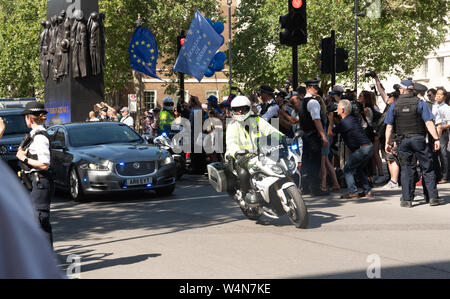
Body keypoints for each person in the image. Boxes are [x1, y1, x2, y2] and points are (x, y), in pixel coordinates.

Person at [384, 79, 441, 208]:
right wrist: (436, 139)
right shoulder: (420, 103)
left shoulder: (395, 104)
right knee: (427, 166)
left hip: (402, 140)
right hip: (419, 139)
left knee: (406, 168)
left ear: (403, 89)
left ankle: (407, 199)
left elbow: (389, 126)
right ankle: (432, 197)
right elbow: (428, 122)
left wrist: (387, 142)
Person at [225, 96, 284, 204]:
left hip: (260, 154)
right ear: (233, 110)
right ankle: (245, 194)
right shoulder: (232, 125)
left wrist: (282, 137)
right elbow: (231, 143)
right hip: (240, 157)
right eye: (237, 109)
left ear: (248, 108)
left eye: (243, 108)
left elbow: (270, 130)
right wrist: (237, 153)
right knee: (243, 172)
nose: (240, 111)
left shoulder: (257, 120)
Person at [15, 102, 55, 247]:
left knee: (40, 221)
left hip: (40, 182)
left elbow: (44, 164)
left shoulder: (40, 137)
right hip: (32, 182)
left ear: (29, 118)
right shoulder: (32, 136)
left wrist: (23, 158)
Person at [328, 99, 374, 199]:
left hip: (362, 149)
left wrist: (331, 120)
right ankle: (367, 191)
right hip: (368, 147)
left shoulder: (345, 122)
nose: (337, 109)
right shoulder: (351, 119)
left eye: (338, 107)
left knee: (347, 169)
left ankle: (353, 192)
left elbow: (330, 133)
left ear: (343, 110)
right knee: (358, 168)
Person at [298, 79, 329, 196]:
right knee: (315, 163)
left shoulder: (302, 102)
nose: (316, 89)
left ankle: (305, 187)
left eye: (316, 87)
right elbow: (317, 120)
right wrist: (323, 136)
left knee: (306, 162)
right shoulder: (313, 102)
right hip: (313, 136)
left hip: (305, 136)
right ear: (308, 88)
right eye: (313, 87)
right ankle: (315, 189)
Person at [434, 87, 450, 184]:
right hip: (433, 131)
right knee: (434, 153)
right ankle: (437, 174)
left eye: (440, 95)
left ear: (444, 97)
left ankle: (445, 176)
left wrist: (441, 128)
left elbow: (449, 123)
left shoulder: (447, 108)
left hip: (443, 132)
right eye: (437, 94)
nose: (438, 97)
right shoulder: (434, 106)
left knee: (443, 153)